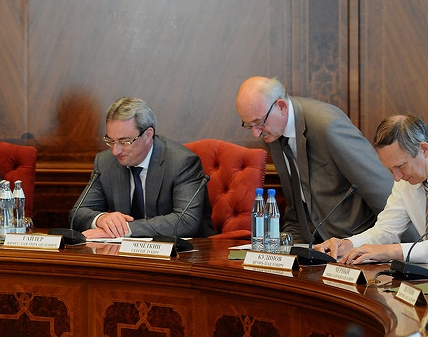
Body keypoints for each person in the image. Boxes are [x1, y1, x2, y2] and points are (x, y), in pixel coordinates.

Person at [235, 76, 416, 245]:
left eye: (259, 123)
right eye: (249, 125)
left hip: (355, 242)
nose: (256, 133)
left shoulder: (328, 126)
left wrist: (411, 254)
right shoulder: (272, 132)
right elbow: (298, 206)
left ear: (281, 107)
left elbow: (379, 187)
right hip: (316, 244)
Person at [70, 97, 215, 239]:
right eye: (111, 141)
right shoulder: (105, 162)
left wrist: (125, 229)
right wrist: (101, 219)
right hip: (125, 251)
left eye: (124, 141)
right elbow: (77, 213)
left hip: (188, 249)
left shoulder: (181, 162)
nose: (115, 151)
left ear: (148, 134)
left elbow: (186, 221)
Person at [315, 115, 428, 264]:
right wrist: (349, 244)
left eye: (400, 166)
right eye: (391, 170)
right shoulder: (405, 181)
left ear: (424, 150)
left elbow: (389, 248)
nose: (396, 177)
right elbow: (386, 230)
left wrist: (390, 251)